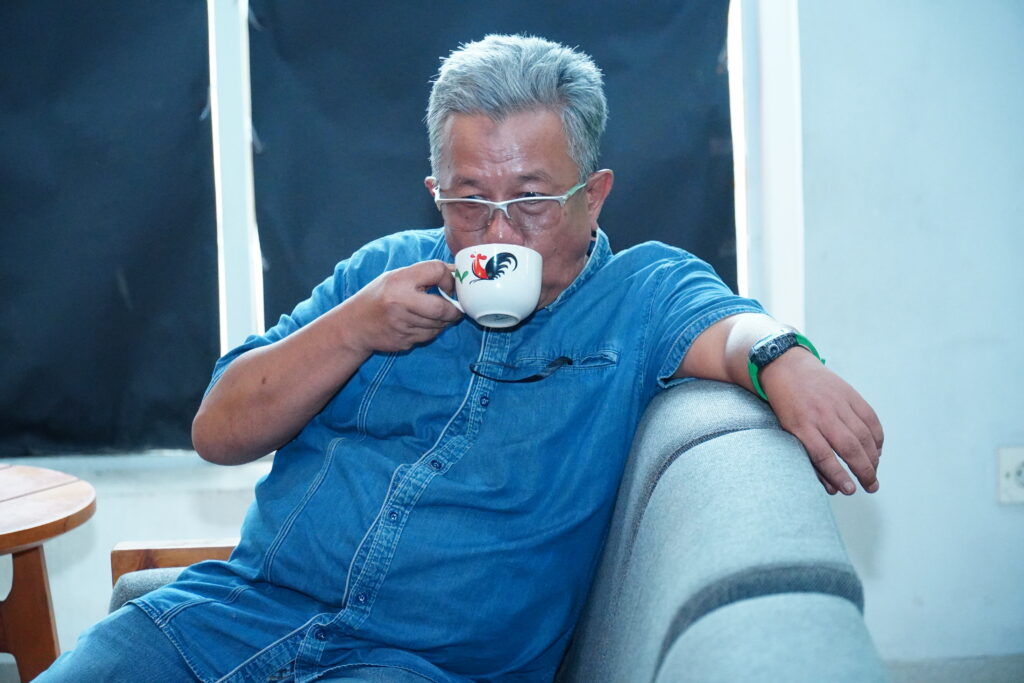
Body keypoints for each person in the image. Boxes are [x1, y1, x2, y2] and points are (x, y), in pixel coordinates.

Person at [39, 34, 882, 682]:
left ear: (594, 196)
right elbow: (217, 430)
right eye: (469, 200)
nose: (497, 232)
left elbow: (732, 330)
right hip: (234, 613)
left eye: (531, 200)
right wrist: (353, 328)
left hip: (413, 667)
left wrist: (789, 363)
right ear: (434, 192)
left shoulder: (640, 295)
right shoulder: (382, 275)